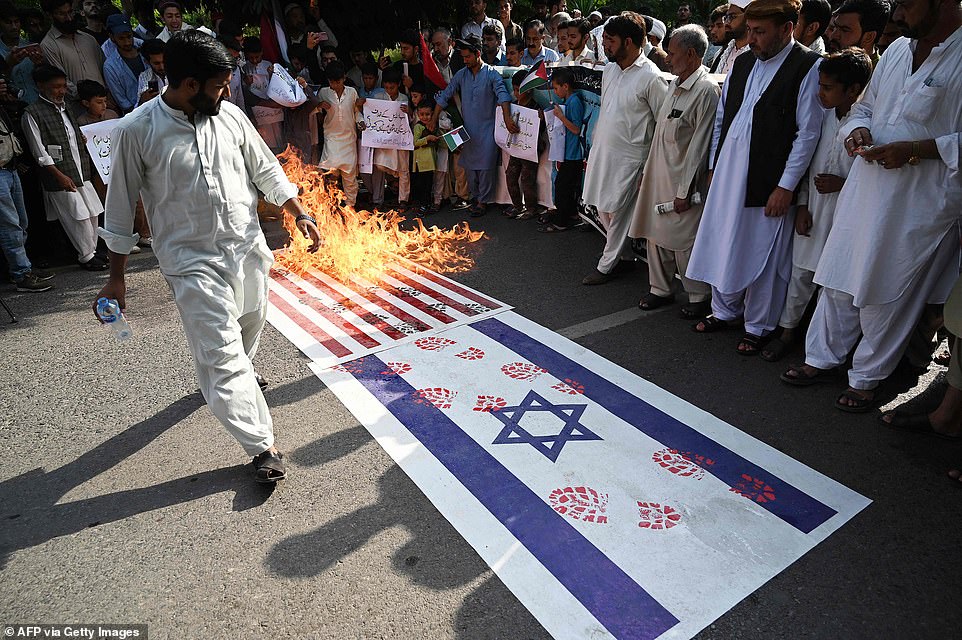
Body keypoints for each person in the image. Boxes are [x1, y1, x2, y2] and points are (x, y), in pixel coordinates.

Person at [96, 30, 321, 484]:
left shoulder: (231, 117)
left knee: (250, 321)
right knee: (220, 352)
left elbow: (265, 167)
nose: (224, 94)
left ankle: (241, 374)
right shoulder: (137, 130)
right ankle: (262, 446)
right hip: (190, 260)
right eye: (218, 86)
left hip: (246, 248)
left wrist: (298, 212)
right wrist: (116, 278)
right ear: (190, 84)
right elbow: (120, 206)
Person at [780, 0, 962, 412]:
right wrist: (857, 129)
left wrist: (916, 149)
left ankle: (866, 378)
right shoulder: (898, 50)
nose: (897, 14)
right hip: (865, 186)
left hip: (920, 201)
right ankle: (820, 358)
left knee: (889, 288)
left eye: (906, 4)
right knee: (841, 273)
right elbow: (864, 106)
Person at [686, 0, 824, 354]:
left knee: (765, 253)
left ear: (786, 29)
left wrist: (785, 186)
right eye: (750, 31)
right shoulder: (744, 61)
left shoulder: (807, 65)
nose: (753, 39)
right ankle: (724, 310)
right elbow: (724, 117)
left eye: (760, 32)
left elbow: (807, 133)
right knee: (723, 240)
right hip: (730, 171)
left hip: (769, 177)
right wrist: (715, 165)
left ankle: (759, 325)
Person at [760, 48, 870, 361]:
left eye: (827, 88)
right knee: (800, 275)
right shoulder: (819, 117)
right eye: (819, 86)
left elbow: (876, 180)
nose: (819, 93)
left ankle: (827, 350)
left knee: (835, 286)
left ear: (852, 90)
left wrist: (843, 185)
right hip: (815, 213)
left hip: (846, 217)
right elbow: (808, 164)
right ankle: (787, 332)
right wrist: (804, 205)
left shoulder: (866, 126)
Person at [630, 24, 719, 317]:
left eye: (673, 52)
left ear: (691, 54)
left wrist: (685, 190)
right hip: (658, 175)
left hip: (683, 181)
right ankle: (661, 289)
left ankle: (698, 296)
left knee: (684, 240)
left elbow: (700, 146)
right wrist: (647, 170)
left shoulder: (706, 91)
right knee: (656, 235)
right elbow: (660, 132)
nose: (667, 58)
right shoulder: (674, 83)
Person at [581, 12, 669, 285]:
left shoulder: (651, 77)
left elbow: (662, 124)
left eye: (610, 40)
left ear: (628, 42)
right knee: (603, 208)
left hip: (632, 158)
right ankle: (625, 256)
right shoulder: (610, 69)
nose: (604, 45)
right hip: (604, 150)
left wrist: (649, 166)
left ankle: (606, 265)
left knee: (618, 211)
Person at [22, 64, 106, 271]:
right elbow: (38, 151)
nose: (61, 91)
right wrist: (57, 174)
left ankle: (92, 251)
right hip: (60, 173)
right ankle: (86, 256)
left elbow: (73, 135)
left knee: (93, 212)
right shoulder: (32, 113)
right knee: (76, 215)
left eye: (63, 86)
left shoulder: (66, 107)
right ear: (41, 86)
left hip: (80, 168)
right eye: (56, 87)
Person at [432, 36, 517, 217]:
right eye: (463, 57)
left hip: (488, 130)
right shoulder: (462, 74)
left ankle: (482, 202)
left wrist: (508, 119)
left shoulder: (492, 74)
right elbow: (445, 95)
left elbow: (503, 97)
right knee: (471, 169)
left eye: (468, 57)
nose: (465, 60)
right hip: (468, 131)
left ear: (477, 54)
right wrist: (433, 118)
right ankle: (476, 198)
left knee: (485, 168)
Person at [0, 83, 53, 292]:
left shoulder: (3, 107)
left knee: (21, 221)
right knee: (10, 225)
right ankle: (21, 273)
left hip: (10, 169)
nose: (3, 85)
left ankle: (22, 267)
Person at [540, 66, 583, 231]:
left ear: (566, 86)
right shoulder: (568, 101)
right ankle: (571, 214)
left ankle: (561, 222)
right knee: (565, 186)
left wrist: (560, 117)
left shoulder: (575, 102)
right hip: (567, 152)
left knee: (562, 187)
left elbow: (576, 129)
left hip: (574, 153)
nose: (555, 92)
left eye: (556, 88)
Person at [503, 69, 546, 220]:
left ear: (528, 90)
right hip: (516, 149)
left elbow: (540, 130)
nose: (515, 93)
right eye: (514, 89)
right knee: (510, 175)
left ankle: (531, 208)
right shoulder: (513, 106)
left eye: (518, 90)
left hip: (530, 150)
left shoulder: (535, 108)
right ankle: (517, 206)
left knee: (527, 179)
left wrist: (541, 119)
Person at [40, 0, 107, 97]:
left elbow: (105, 69)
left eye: (70, 12)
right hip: (78, 107)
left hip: (106, 101)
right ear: (49, 15)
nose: (69, 18)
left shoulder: (89, 39)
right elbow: (62, 83)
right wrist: (90, 99)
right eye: (62, 14)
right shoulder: (48, 45)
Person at [317, 61, 362, 206]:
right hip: (331, 138)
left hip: (349, 139)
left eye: (337, 81)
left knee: (350, 177)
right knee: (330, 174)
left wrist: (361, 122)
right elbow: (315, 112)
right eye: (331, 82)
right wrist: (319, 106)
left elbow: (356, 112)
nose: (334, 85)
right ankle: (331, 207)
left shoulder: (352, 92)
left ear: (344, 78)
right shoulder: (323, 92)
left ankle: (350, 208)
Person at [369, 67, 412, 210]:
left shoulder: (404, 98)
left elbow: (410, 120)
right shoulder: (378, 98)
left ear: (398, 85)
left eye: (392, 87)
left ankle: (403, 200)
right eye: (386, 87)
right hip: (384, 139)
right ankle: (380, 196)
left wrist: (409, 112)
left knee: (404, 169)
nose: (389, 90)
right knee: (380, 165)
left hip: (400, 139)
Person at [242, 37, 285, 153]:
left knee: (278, 137)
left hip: (273, 110)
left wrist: (272, 75)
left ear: (262, 52)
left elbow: (277, 86)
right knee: (264, 140)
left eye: (257, 57)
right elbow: (244, 92)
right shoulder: (244, 68)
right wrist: (246, 83)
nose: (255, 60)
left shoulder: (268, 65)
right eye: (251, 58)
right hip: (258, 111)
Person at [0, 1, 43, 105]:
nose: (14, 27)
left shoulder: (31, 46)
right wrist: (8, 65)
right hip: (12, 109)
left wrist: (39, 64)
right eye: (8, 22)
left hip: (37, 103)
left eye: (16, 22)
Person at [102, 14, 145, 115]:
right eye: (121, 38)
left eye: (129, 37)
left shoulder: (144, 50)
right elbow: (123, 103)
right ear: (112, 37)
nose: (127, 42)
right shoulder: (110, 66)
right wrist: (142, 102)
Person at [824, 0, 890, 60]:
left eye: (844, 30)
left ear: (869, 37)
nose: (833, 35)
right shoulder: (820, 62)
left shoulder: (882, 71)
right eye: (835, 27)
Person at [411, 98, 441, 213]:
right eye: (422, 114)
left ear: (432, 114)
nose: (425, 117)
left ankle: (427, 204)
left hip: (430, 161)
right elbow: (415, 143)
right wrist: (427, 139)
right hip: (420, 163)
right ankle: (422, 205)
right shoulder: (418, 127)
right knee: (421, 185)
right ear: (418, 114)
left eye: (427, 114)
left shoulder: (433, 126)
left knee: (428, 185)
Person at [714, 0, 753, 74]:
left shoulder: (757, 54)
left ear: (748, 17)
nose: (726, 23)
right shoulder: (720, 54)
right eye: (725, 18)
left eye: (732, 17)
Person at [136, 38, 168, 106]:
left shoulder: (177, 71)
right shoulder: (144, 77)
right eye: (157, 63)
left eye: (164, 61)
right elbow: (137, 109)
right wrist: (142, 100)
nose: (162, 67)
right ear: (147, 62)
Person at [706, 4, 732, 69]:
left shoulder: (746, 55)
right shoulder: (718, 54)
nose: (713, 31)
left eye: (719, 26)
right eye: (713, 26)